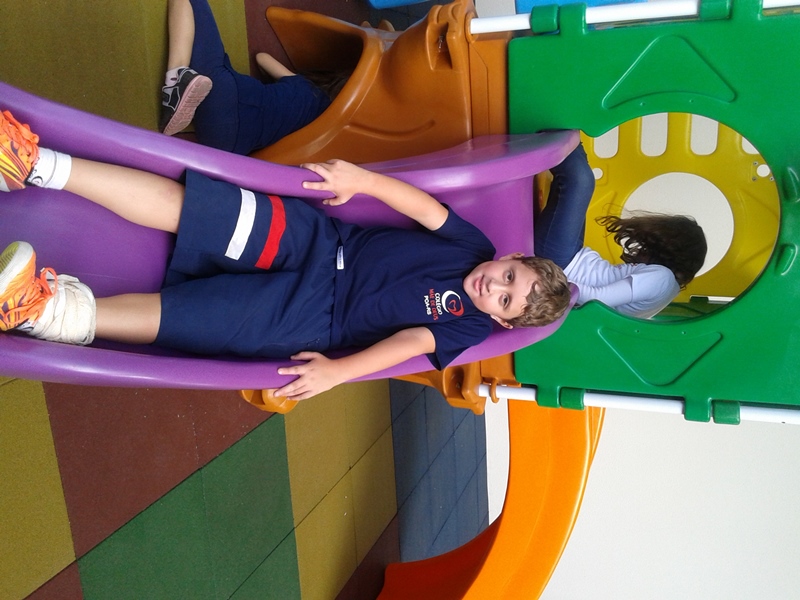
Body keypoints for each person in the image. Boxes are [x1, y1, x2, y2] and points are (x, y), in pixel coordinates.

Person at [0, 110, 570, 400]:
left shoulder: (467, 326)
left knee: (187, 318)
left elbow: (408, 344)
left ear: (501, 321)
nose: (495, 286)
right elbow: (424, 208)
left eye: (506, 301)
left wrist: (339, 372)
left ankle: (48, 313)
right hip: (320, 241)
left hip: (314, 318)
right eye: (509, 275)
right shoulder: (474, 247)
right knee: (196, 209)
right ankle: (37, 165)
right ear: (513, 256)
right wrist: (364, 181)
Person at [534, 144, 707, 319]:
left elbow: (596, 299)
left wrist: (547, 279)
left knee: (580, 181)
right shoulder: (668, 289)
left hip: (560, 266)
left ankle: (551, 133)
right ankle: (565, 138)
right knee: (577, 179)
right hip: (568, 260)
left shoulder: (662, 279)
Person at [160, 0, 342, 153]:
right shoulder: (324, 129)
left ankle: (176, 80)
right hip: (228, 146)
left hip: (228, 96)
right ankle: (187, 94)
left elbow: (262, 58)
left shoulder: (307, 87)